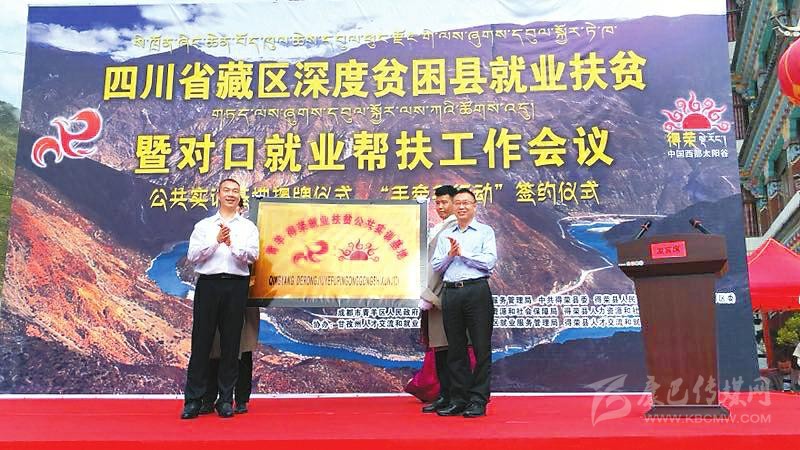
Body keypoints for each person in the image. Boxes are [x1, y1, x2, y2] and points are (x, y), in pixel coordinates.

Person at [181, 178, 260, 419]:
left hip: (236, 286)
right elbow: (193, 255)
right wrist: (216, 241)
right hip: (208, 284)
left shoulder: (248, 228)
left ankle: (225, 400)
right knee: (201, 342)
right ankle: (193, 400)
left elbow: (252, 256)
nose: (231, 194)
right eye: (226, 190)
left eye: (235, 191)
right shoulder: (204, 226)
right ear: (218, 194)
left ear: (239, 196)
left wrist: (231, 244)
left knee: (231, 343)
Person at [431, 188, 497, 418]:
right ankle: (459, 398)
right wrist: (450, 254)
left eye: (466, 203)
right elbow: (437, 266)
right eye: (458, 203)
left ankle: (478, 400)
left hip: (476, 291)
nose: (461, 207)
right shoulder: (446, 235)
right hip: (451, 293)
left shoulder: (485, 232)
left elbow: (488, 262)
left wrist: (463, 253)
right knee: (455, 348)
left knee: (481, 347)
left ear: (474, 206)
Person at [200, 197, 261, 415]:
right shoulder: (213, 228)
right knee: (215, 349)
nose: (238, 210)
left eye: (241, 207)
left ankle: (241, 398)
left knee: (243, 350)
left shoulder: (250, 231)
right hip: (220, 297)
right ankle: (209, 397)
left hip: (246, 298)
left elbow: (256, 259)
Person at [419, 185, 458, 413]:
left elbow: (439, 268)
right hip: (433, 295)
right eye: (438, 203)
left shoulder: (453, 229)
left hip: (441, 296)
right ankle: (444, 395)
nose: (440, 207)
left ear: (455, 202)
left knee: (448, 348)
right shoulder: (440, 227)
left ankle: (452, 396)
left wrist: (428, 295)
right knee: (441, 348)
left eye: (445, 202)